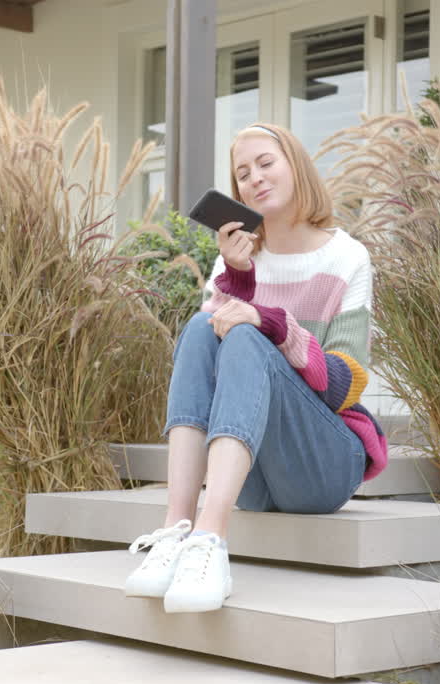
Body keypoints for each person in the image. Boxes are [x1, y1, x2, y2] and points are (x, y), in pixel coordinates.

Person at [124, 123, 388, 613]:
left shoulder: (347, 257)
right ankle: (176, 530)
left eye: (266, 163)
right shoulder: (236, 260)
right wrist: (237, 278)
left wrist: (270, 322)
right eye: (243, 174)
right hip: (254, 478)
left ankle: (211, 539)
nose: (256, 178)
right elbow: (207, 360)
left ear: (296, 166)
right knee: (202, 327)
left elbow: (345, 384)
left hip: (323, 465)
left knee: (245, 334)